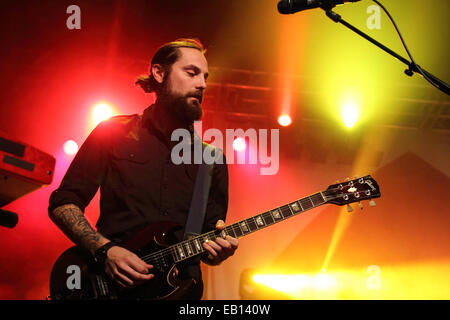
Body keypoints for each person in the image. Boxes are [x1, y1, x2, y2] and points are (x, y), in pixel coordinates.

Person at [48, 38, 238, 300]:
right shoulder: (113, 132)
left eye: (205, 76)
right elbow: (64, 203)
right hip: (105, 287)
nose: (202, 84)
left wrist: (219, 251)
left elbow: (207, 242)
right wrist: (105, 251)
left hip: (179, 293)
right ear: (159, 73)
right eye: (191, 72)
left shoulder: (212, 159)